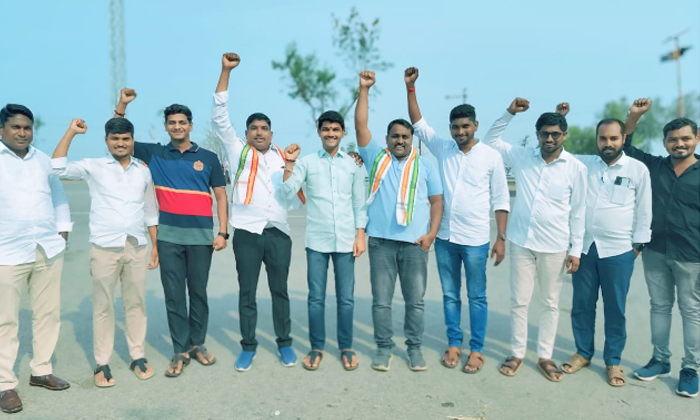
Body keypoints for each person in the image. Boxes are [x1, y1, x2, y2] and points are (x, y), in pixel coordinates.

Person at [114, 89, 228, 377]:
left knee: (198, 294)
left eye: (182, 122)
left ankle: (197, 344)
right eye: (172, 122)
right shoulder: (155, 153)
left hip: (202, 239)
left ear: (190, 125)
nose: (177, 127)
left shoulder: (209, 158)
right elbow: (117, 135)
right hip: (168, 239)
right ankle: (180, 350)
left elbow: (221, 197)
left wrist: (223, 232)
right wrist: (122, 106)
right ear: (166, 126)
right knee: (175, 296)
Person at [404, 67, 510, 373]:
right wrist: (411, 88)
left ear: (475, 125)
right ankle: (454, 343)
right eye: (455, 127)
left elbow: (502, 201)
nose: (460, 132)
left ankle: (476, 349)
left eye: (465, 126)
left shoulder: (490, 156)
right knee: (450, 294)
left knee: (476, 295)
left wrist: (500, 239)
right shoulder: (443, 148)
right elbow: (418, 123)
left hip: (476, 240)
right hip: (445, 238)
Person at [483, 98, 587, 382]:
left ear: (564, 136)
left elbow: (578, 212)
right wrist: (509, 113)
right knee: (519, 301)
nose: (550, 138)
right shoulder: (521, 156)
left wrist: (575, 250)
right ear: (538, 134)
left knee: (550, 303)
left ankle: (544, 356)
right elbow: (490, 141)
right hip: (521, 242)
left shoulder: (575, 168)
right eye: (545, 133)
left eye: (555, 133)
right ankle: (517, 353)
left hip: (555, 246)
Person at [51, 117, 160, 387]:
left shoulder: (142, 171)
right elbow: (56, 167)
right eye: (115, 139)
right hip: (104, 247)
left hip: (136, 245)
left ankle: (137, 355)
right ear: (106, 140)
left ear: (132, 140)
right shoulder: (93, 166)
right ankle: (102, 362)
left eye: (125, 139)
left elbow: (150, 210)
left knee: (136, 303)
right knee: (103, 306)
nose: (120, 143)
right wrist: (71, 132)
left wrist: (155, 245)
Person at [212, 52, 300, 371]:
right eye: (254, 128)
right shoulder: (238, 153)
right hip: (247, 234)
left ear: (271, 134)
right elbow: (220, 117)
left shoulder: (283, 157)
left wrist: (290, 167)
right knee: (247, 292)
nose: (259, 132)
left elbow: (297, 199)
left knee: (280, 292)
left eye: (264, 128)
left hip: (278, 234)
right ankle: (248, 346)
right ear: (247, 134)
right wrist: (226, 72)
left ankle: (285, 344)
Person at [553, 104, 652, 387]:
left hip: (620, 251)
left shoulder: (637, 170)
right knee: (582, 306)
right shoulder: (583, 164)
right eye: (602, 139)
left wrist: (637, 247)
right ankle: (583, 353)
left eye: (613, 139)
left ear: (623, 139)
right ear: (596, 140)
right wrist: (562, 119)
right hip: (585, 249)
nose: (607, 144)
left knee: (615, 308)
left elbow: (644, 211)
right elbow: (557, 150)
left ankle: (613, 361)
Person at [355, 71, 443, 372]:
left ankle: (415, 349)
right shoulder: (377, 158)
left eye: (406, 136)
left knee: (415, 302)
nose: (401, 140)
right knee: (381, 302)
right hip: (380, 243)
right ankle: (383, 348)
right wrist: (363, 90)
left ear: (412, 140)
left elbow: (436, 202)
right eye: (395, 136)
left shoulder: (426, 165)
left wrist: (431, 234)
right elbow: (360, 125)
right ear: (388, 139)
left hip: (415, 245)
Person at [622, 99, 700, 398]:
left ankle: (691, 368)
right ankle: (660, 360)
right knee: (660, 307)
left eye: (685, 138)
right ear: (665, 142)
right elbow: (626, 147)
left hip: (692, 255)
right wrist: (634, 117)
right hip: (655, 250)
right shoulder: (655, 166)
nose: (679, 144)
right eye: (673, 140)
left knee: (692, 311)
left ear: (696, 138)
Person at [0, 104, 72, 414]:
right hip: (7, 252)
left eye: (27, 128)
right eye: (16, 127)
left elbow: (57, 196)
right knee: (5, 321)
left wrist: (63, 232)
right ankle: (4, 385)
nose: (22, 133)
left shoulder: (43, 160)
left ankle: (41, 370)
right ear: (2, 129)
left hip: (46, 248)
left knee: (48, 313)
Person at [282, 111, 368, 372]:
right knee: (316, 298)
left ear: (343, 133)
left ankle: (346, 347)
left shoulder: (352, 165)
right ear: (319, 132)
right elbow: (287, 190)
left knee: (346, 299)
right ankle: (316, 347)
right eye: (326, 129)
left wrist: (360, 235)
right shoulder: (307, 163)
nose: (330, 133)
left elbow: (358, 203)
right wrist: (289, 163)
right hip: (317, 241)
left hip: (346, 240)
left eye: (335, 129)